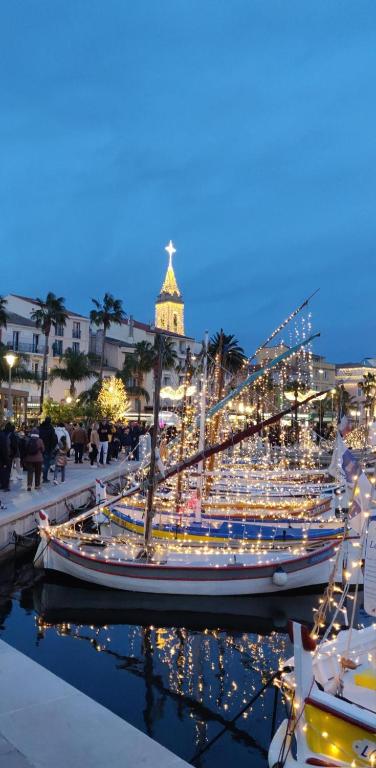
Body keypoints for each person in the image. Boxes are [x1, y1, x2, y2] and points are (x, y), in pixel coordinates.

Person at [39, 417, 58, 483]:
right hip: (48, 449)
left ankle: (37, 478)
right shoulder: (51, 429)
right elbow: (54, 439)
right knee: (46, 463)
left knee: (40, 463)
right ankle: (44, 478)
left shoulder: (40, 428)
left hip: (40, 449)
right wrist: (52, 447)